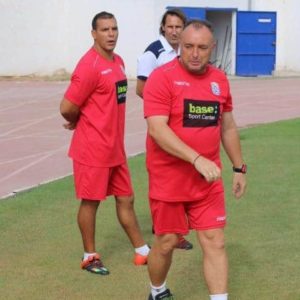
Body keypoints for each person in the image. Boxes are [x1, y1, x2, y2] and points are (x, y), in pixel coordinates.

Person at [143, 19, 247, 300]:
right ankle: (157, 290)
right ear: (180, 45)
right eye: (188, 46)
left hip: (207, 180)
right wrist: (196, 158)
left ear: (212, 47)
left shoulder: (219, 80)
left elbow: (227, 125)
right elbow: (157, 128)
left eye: (202, 47)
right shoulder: (161, 78)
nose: (195, 53)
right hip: (169, 180)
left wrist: (239, 167)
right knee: (166, 242)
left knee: (215, 241)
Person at [59, 11, 150, 276]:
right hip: (92, 148)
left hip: (115, 148)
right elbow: (66, 107)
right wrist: (78, 119)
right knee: (91, 202)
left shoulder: (118, 61)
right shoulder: (89, 65)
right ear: (93, 34)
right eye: (105, 30)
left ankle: (142, 250)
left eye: (114, 29)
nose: (111, 34)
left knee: (126, 198)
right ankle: (90, 256)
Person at [136, 9, 193, 251]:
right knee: (163, 181)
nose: (174, 31)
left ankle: (176, 231)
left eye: (178, 27)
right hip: (163, 125)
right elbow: (141, 89)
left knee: (182, 178)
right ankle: (165, 231)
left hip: (183, 126)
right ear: (162, 28)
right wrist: (166, 110)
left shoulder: (187, 51)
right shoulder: (153, 53)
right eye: (170, 26)